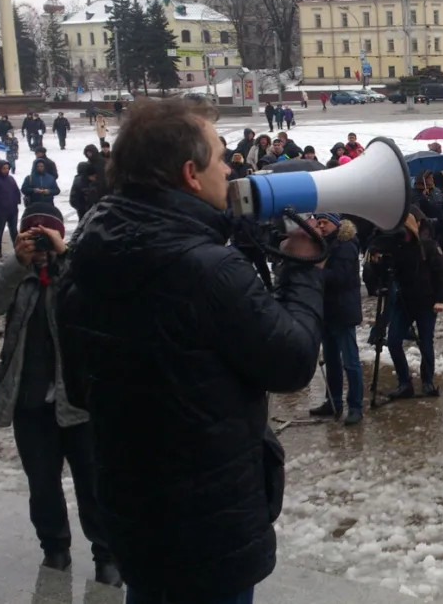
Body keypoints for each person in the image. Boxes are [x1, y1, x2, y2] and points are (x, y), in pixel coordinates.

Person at [54, 98, 326, 604]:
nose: (230, 168)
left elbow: (80, 389)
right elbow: (292, 362)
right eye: (221, 158)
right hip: (209, 526)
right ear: (190, 174)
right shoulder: (208, 271)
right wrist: (303, 268)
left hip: (134, 517)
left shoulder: (88, 253)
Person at [0, 203, 119, 586]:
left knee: (93, 483)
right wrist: (15, 263)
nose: (38, 242)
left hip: (80, 402)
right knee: (42, 483)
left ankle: (106, 553)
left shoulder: (78, 273)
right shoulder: (16, 276)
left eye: (44, 235)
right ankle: (54, 548)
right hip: (30, 401)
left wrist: (65, 254)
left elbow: (103, 299)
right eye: (31, 235)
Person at [383, 208, 443, 400]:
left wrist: (440, 299)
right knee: (394, 341)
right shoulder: (395, 248)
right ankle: (404, 382)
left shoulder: (428, 247)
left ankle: (427, 381)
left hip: (426, 303)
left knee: (425, 342)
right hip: (403, 302)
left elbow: (441, 274)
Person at [307, 214, 364, 425]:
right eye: (319, 223)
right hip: (327, 312)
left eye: (325, 222)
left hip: (343, 312)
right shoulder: (324, 244)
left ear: (336, 223)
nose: (321, 226)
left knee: (350, 362)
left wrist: (315, 271)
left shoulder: (345, 245)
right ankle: (333, 401)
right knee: (331, 361)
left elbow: (340, 277)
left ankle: (356, 406)